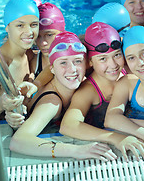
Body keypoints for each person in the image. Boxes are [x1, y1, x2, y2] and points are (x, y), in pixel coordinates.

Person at [9, 31, 117, 161]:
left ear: (87, 64)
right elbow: (18, 141)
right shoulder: (51, 103)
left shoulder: (77, 79)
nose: (72, 69)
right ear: (52, 69)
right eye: (63, 63)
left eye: (77, 61)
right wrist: (76, 150)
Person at [60, 22, 144, 161]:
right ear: (90, 61)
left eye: (117, 55)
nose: (113, 65)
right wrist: (115, 137)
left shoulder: (130, 70)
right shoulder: (89, 91)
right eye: (103, 59)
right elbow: (68, 125)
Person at [0, 0, 44, 127]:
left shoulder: (30, 53)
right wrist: (1, 105)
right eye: (20, 25)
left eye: (34, 25)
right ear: (7, 27)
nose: (29, 32)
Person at [105, 26, 144, 143]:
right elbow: (110, 119)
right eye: (131, 58)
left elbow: (116, 120)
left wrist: (125, 120)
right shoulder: (128, 83)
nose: (141, 63)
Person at [29, 2, 66, 78]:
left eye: (49, 35)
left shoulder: (77, 58)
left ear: (62, 33)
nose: (43, 43)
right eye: (38, 36)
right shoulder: (34, 63)